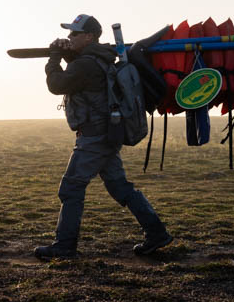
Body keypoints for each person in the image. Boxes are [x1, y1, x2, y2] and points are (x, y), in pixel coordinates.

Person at [35, 14, 173, 261]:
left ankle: (65, 246)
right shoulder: (98, 59)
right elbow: (83, 78)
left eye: (75, 34)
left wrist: (54, 56)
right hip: (108, 133)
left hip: (94, 137)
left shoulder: (86, 64)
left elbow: (57, 84)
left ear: (88, 37)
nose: (70, 37)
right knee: (120, 186)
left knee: (71, 188)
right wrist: (68, 54)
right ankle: (157, 233)